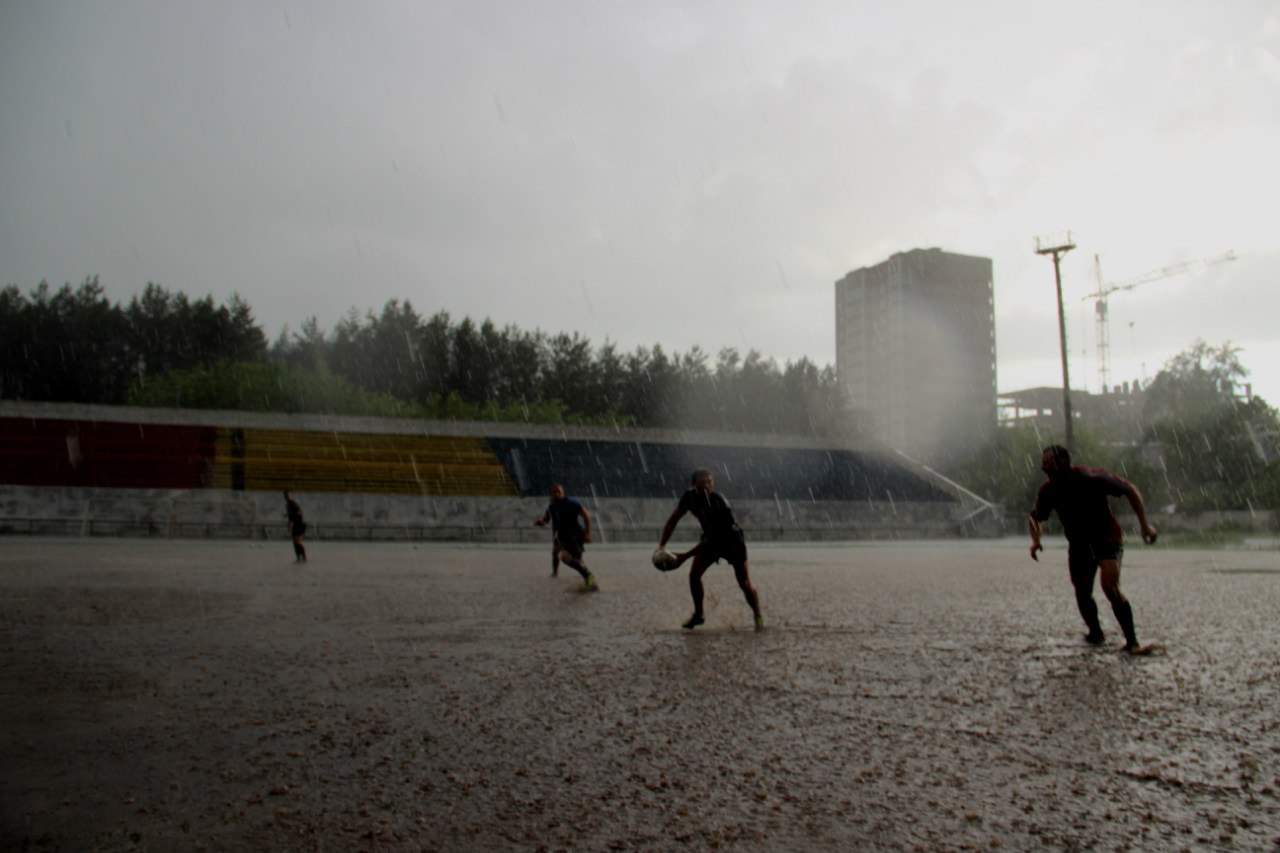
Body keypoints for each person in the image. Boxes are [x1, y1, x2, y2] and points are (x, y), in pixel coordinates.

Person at [1028, 444, 1158, 652]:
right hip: (1079, 544)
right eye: (1042, 462)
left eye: (1047, 462)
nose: (1043, 467)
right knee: (1082, 592)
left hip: (1107, 538)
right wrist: (1036, 540)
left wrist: (1144, 525)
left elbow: (1129, 490)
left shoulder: (1091, 477)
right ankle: (1095, 633)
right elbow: (1035, 517)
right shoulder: (1049, 490)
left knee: (1110, 588)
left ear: (1062, 462)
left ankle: (1132, 641)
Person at [659, 468, 763, 631]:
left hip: (731, 541)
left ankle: (758, 615)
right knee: (694, 576)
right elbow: (673, 521)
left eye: (710, 482)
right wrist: (662, 546)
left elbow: (715, 538)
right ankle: (699, 615)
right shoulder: (689, 498)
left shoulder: (719, 502)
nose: (707, 485)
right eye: (703, 483)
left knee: (744, 582)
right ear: (694, 485)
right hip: (709, 539)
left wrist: (684, 556)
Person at [533, 484, 597, 591]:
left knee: (563, 556)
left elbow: (586, 516)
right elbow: (546, 519)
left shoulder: (571, 502)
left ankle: (588, 576)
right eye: (554, 492)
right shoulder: (551, 507)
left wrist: (587, 533)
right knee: (575, 559)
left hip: (575, 535)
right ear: (551, 495)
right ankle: (590, 582)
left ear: (563, 492)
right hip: (563, 536)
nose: (557, 494)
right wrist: (541, 522)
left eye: (559, 492)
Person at [284, 490, 307, 563]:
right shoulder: (288, 505)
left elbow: (299, 513)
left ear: (291, 495)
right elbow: (290, 517)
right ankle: (299, 557)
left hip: (299, 524)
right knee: (295, 542)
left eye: (288, 495)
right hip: (295, 524)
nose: (287, 497)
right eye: (286, 496)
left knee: (297, 541)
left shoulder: (294, 504)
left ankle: (303, 557)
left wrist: (290, 514)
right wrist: (289, 524)